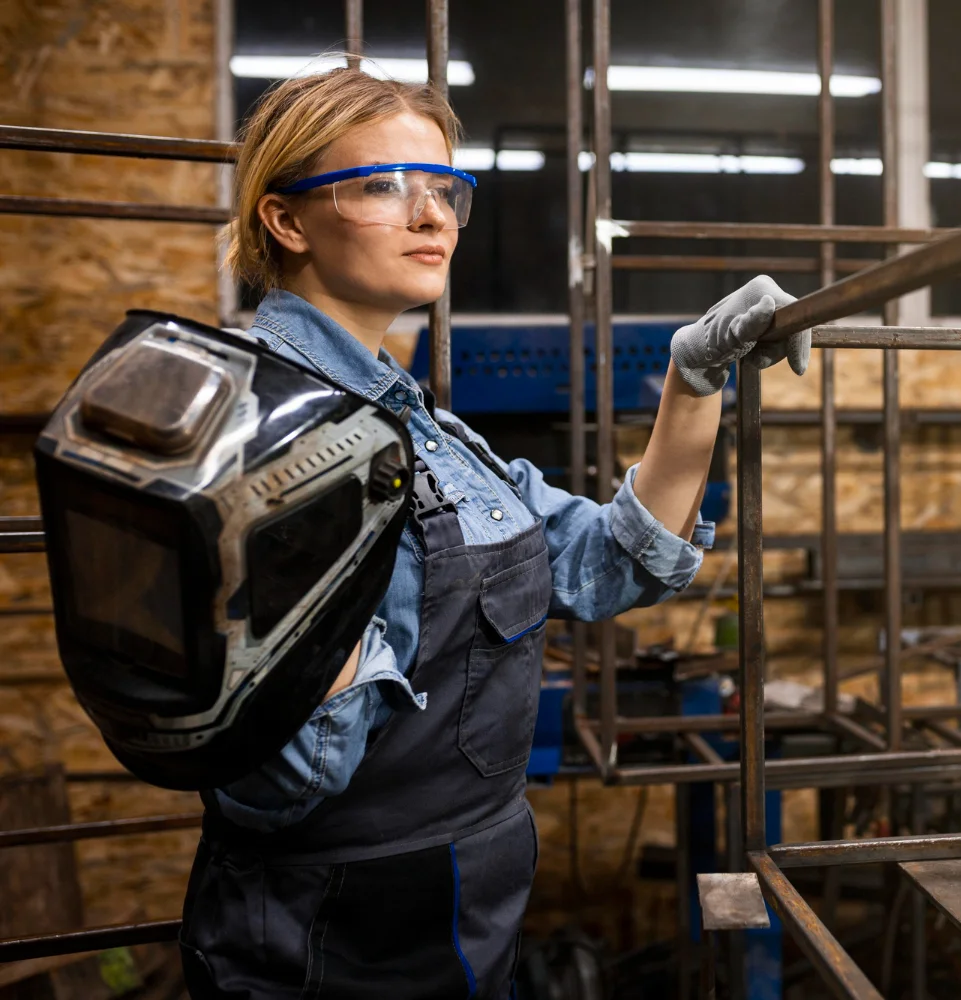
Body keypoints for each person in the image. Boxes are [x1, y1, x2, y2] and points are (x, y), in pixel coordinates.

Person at [177, 67, 808, 998]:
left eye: (445, 189)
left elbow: (606, 563)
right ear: (286, 219)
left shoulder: (410, 417)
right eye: (385, 185)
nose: (431, 217)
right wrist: (327, 637)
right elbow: (278, 787)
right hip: (339, 932)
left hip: (463, 902)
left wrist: (693, 381)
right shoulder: (269, 428)